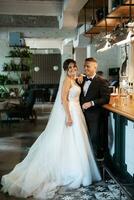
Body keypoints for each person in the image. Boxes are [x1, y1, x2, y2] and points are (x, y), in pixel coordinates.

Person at [1, 59, 101, 200]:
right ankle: (71, 170)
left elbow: (83, 80)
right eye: (69, 67)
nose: (72, 69)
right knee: (69, 142)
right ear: (65, 70)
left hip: (78, 112)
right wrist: (68, 116)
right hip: (71, 113)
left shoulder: (76, 79)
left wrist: (79, 78)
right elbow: (64, 100)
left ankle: (78, 169)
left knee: (77, 142)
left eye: (74, 67)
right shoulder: (67, 80)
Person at [80, 57, 110, 161]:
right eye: (84, 66)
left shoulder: (102, 81)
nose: (85, 68)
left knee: (94, 140)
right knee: (83, 139)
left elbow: (106, 98)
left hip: (95, 116)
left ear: (95, 67)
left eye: (88, 66)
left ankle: (97, 164)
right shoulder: (81, 79)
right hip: (81, 115)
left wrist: (92, 103)